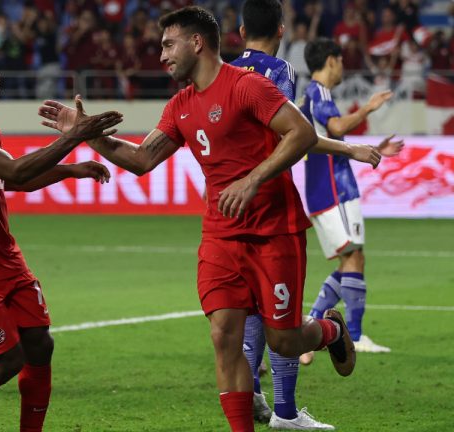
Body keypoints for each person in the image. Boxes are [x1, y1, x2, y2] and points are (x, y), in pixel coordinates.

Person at [39, 7, 356, 431]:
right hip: (221, 237)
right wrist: (87, 134)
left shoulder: (248, 87)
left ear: (197, 42)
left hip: (273, 231)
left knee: (283, 339)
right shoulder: (180, 105)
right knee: (224, 337)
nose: (162, 57)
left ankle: (331, 330)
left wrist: (253, 178)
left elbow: (300, 133)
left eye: (168, 45)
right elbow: (140, 159)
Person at [0, 48, 121, 432]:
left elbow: (14, 179)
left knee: (40, 346)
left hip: (4, 259)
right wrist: (76, 136)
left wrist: (70, 170)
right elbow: (17, 168)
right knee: (6, 360)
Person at [230, 1, 401, 429]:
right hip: (285, 202)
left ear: (239, 29)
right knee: (290, 306)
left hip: (230, 205)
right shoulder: (288, 77)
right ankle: (339, 339)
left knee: (251, 308)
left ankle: (252, 386)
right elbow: (298, 133)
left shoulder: (224, 73)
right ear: (283, 30)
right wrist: (359, 131)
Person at [298, 38, 403, 364]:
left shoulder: (309, 96)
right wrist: (369, 107)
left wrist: (373, 148)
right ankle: (352, 334)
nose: (343, 66)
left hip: (329, 187)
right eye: (341, 60)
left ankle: (310, 329)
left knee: (352, 259)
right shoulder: (320, 92)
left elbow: (328, 138)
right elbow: (336, 126)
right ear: (331, 61)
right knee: (353, 258)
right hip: (333, 189)